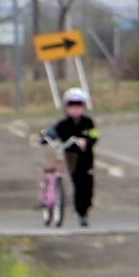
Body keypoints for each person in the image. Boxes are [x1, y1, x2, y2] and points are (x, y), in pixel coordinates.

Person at [46, 87, 98, 224]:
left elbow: (95, 136)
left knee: (88, 185)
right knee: (78, 182)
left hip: (87, 157)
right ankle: (81, 212)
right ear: (66, 107)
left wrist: (86, 141)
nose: (75, 109)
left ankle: (85, 210)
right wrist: (44, 137)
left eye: (78, 105)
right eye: (71, 105)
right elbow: (52, 132)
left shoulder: (88, 122)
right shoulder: (63, 124)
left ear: (84, 106)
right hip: (71, 157)